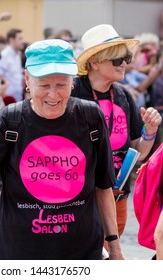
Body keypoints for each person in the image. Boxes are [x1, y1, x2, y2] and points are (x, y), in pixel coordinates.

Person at [0, 39, 124, 260]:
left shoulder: (90, 117)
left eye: (62, 85)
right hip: (18, 254)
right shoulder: (10, 121)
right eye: (44, 85)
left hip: (82, 253)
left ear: (72, 81)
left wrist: (114, 248)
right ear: (27, 79)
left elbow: (102, 187)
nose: (53, 95)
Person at [72, 24, 162, 244]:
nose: (124, 64)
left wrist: (149, 133)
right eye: (117, 60)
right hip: (81, 197)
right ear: (94, 61)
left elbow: (137, 152)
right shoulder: (73, 91)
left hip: (117, 196)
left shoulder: (123, 95)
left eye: (126, 58)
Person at [0, 28, 25, 102]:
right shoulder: (4, 55)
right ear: (11, 40)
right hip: (8, 98)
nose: (23, 41)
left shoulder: (17, 54)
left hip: (18, 97)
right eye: (20, 39)